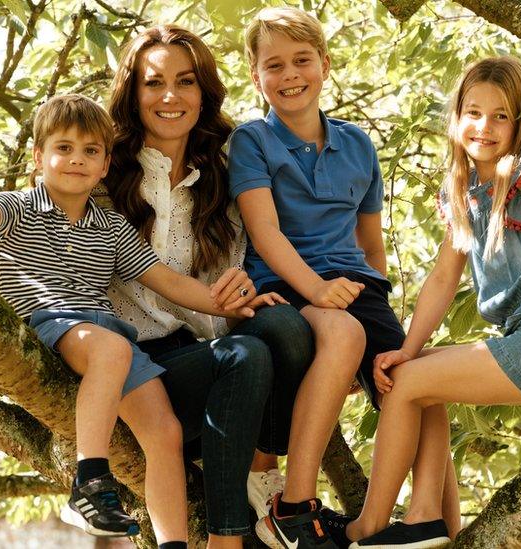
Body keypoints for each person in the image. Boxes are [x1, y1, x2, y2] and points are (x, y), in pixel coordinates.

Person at [0, 94, 283, 546]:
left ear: (106, 164)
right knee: (112, 347)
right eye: (64, 148)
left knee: (165, 431)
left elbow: (167, 282)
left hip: (106, 336)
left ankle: (172, 543)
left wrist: (233, 305)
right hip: (50, 323)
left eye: (91, 151)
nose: (77, 160)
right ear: (39, 157)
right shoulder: (18, 207)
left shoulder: (111, 226)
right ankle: (89, 482)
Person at [344, 28, 521, 549]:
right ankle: (432, 524)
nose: (484, 126)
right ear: (457, 117)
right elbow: (442, 280)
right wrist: (404, 351)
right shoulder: (464, 190)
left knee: (413, 384)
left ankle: (367, 528)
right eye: (474, 112)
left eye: (500, 115)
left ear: (520, 122)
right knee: (415, 377)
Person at [228, 8, 459, 548]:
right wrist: (315, 290)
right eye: (274, 65)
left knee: (417, 378)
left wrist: (381, 322)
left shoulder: (356, 144)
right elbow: (265, 233)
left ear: (325, 65)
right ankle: (294, 506)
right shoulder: (252, 140)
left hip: (357, 287)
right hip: (287, 286)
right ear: (255, 75)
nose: (290, 75)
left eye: (302, 60)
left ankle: (433, 522)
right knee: (342, 333)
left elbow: (371, 245)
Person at [103, 25, 315, 549]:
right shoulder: (103, 165)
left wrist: (244, 294)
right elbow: (27, 217)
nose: (170, 96)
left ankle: (262, 475)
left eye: (186, 81)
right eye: (154, 84)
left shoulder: (227, 166)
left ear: (205, 93)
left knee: (286, 327)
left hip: (211, 362)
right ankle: (227, 537)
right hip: (136, 370)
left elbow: (291, 230)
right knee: (243, 357)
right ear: (133, 94)